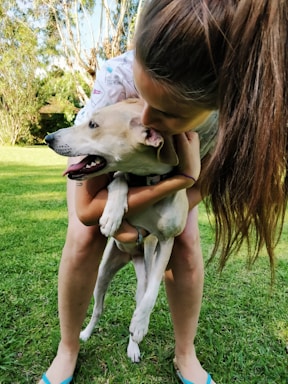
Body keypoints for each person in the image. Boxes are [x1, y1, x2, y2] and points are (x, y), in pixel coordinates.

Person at [39, 1, 288, 383]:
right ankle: (67, 348)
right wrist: (180, 179)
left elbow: (205, 181)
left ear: (215, 103)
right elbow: (89, 209)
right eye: (143, 97)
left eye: (168, 113)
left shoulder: (232, 114)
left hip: (175, 179)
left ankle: (185, 352)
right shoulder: (115, 83)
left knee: (186, 244)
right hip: (115, 170)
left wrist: (173, 201)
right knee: (83, 238)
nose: (148, 121)